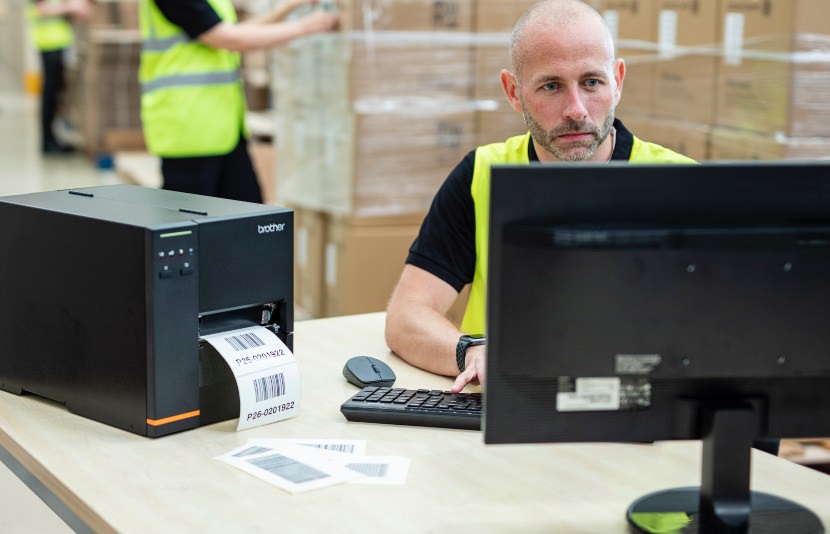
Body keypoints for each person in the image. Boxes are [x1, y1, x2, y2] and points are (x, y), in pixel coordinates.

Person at [385, 0, 696, 393]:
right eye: (551, 86)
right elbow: (406, 316)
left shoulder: (681, 183)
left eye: (592, 82)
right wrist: (471, 351)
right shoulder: (483, 174)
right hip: (507, 411)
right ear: (513, 92)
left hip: (642, 420)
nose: (576, 109)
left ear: (617, 80)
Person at [139, 0, 339, 203]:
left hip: (223, 128)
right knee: (189, 225)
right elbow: (226, 38)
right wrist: (303, 27)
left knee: (248, 217)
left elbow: (234, 32)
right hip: (188, 130)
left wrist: (287, 8)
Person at [28, 0, 92, 154]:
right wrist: (71, 7)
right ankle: (47, 141)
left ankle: (52, 137)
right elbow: (41, 9)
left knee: (56, 93)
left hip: (58, 43)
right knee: (50, 94)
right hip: (48, 43)